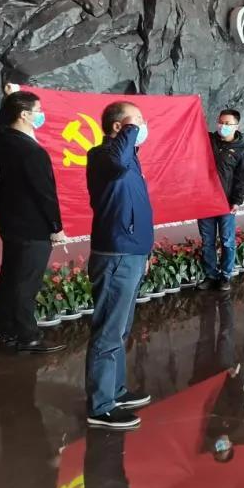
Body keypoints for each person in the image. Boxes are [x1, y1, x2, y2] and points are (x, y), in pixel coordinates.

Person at [85, 101, 154, 430]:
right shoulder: (103, 156)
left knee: (120, 329)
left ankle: (116, 390)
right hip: (115, 255)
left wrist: (145, 252)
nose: (142, 126)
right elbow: (116, 161)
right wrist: (129, 128)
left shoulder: (130, 157)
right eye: (136, 122)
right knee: (108, 330)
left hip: (132, 253)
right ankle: (100, 406)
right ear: (118, 127)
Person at [0, 87, 67, 353]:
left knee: (10, 275)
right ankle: (27, 335)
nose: (41, 115)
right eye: (38, 111)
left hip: (10, 220)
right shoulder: (32, 152)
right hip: (32, 225)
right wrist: (56, 227)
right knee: (26, 281)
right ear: (23, 115)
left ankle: (7, 330)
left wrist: (8, 97)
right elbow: (45, 194)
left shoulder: (4, 138)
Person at [197, 109, 244, 292]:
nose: (223, 126)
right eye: (221, 122)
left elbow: (242, 178)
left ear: (237, 126)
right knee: (207, 241)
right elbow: (192, 128)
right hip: (205, 201)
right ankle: (210, 275)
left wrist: (237, 201)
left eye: (228, 124)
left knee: (227, 241)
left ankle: (225, 276)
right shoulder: (209, 140)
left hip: (226, 203)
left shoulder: (242, 150)